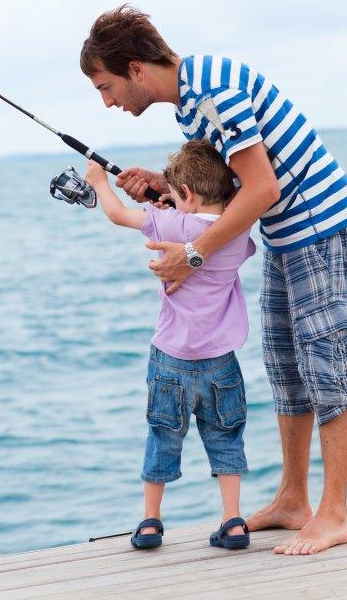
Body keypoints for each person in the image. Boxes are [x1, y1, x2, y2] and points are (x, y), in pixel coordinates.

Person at [79, 4, 347, 556]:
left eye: (107, 85)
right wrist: (167, 188)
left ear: (136, 68)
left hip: (322, 228)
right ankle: (293, 498)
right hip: (286, 238)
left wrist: (191, 253)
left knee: (327, 365)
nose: (108, 101)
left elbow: (262, 189)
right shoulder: (192, 108)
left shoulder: (212, 91)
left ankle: (335, 512)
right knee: (287, 365)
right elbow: (225, 194)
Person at [84, 139, 257, 551]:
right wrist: (178, 203)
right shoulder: (234, 229)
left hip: (170, 360)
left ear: (189, 196)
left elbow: (116, 213)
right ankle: (233, 521)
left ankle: (150, 522)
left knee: (162, 436)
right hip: (221, 361)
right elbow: (221, 214)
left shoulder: (169, 225)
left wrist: (98, 180)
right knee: (226, 437)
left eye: (176, 195)